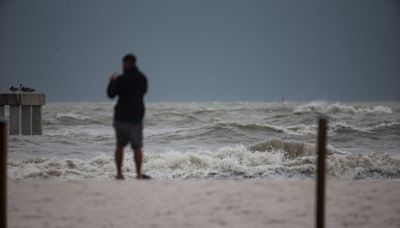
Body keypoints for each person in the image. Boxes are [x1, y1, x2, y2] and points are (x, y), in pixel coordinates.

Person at [107, 54, 150, 179]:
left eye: (123, 63)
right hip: (136, 117)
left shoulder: (121, 79)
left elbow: (111, 94)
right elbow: (143, 92)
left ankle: (119, 174)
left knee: (120, 146)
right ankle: (138, 174)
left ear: (128, 63)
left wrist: (111, 81)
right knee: (137, 146)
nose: (122, 66)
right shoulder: (142, 78)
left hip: (121, 117)